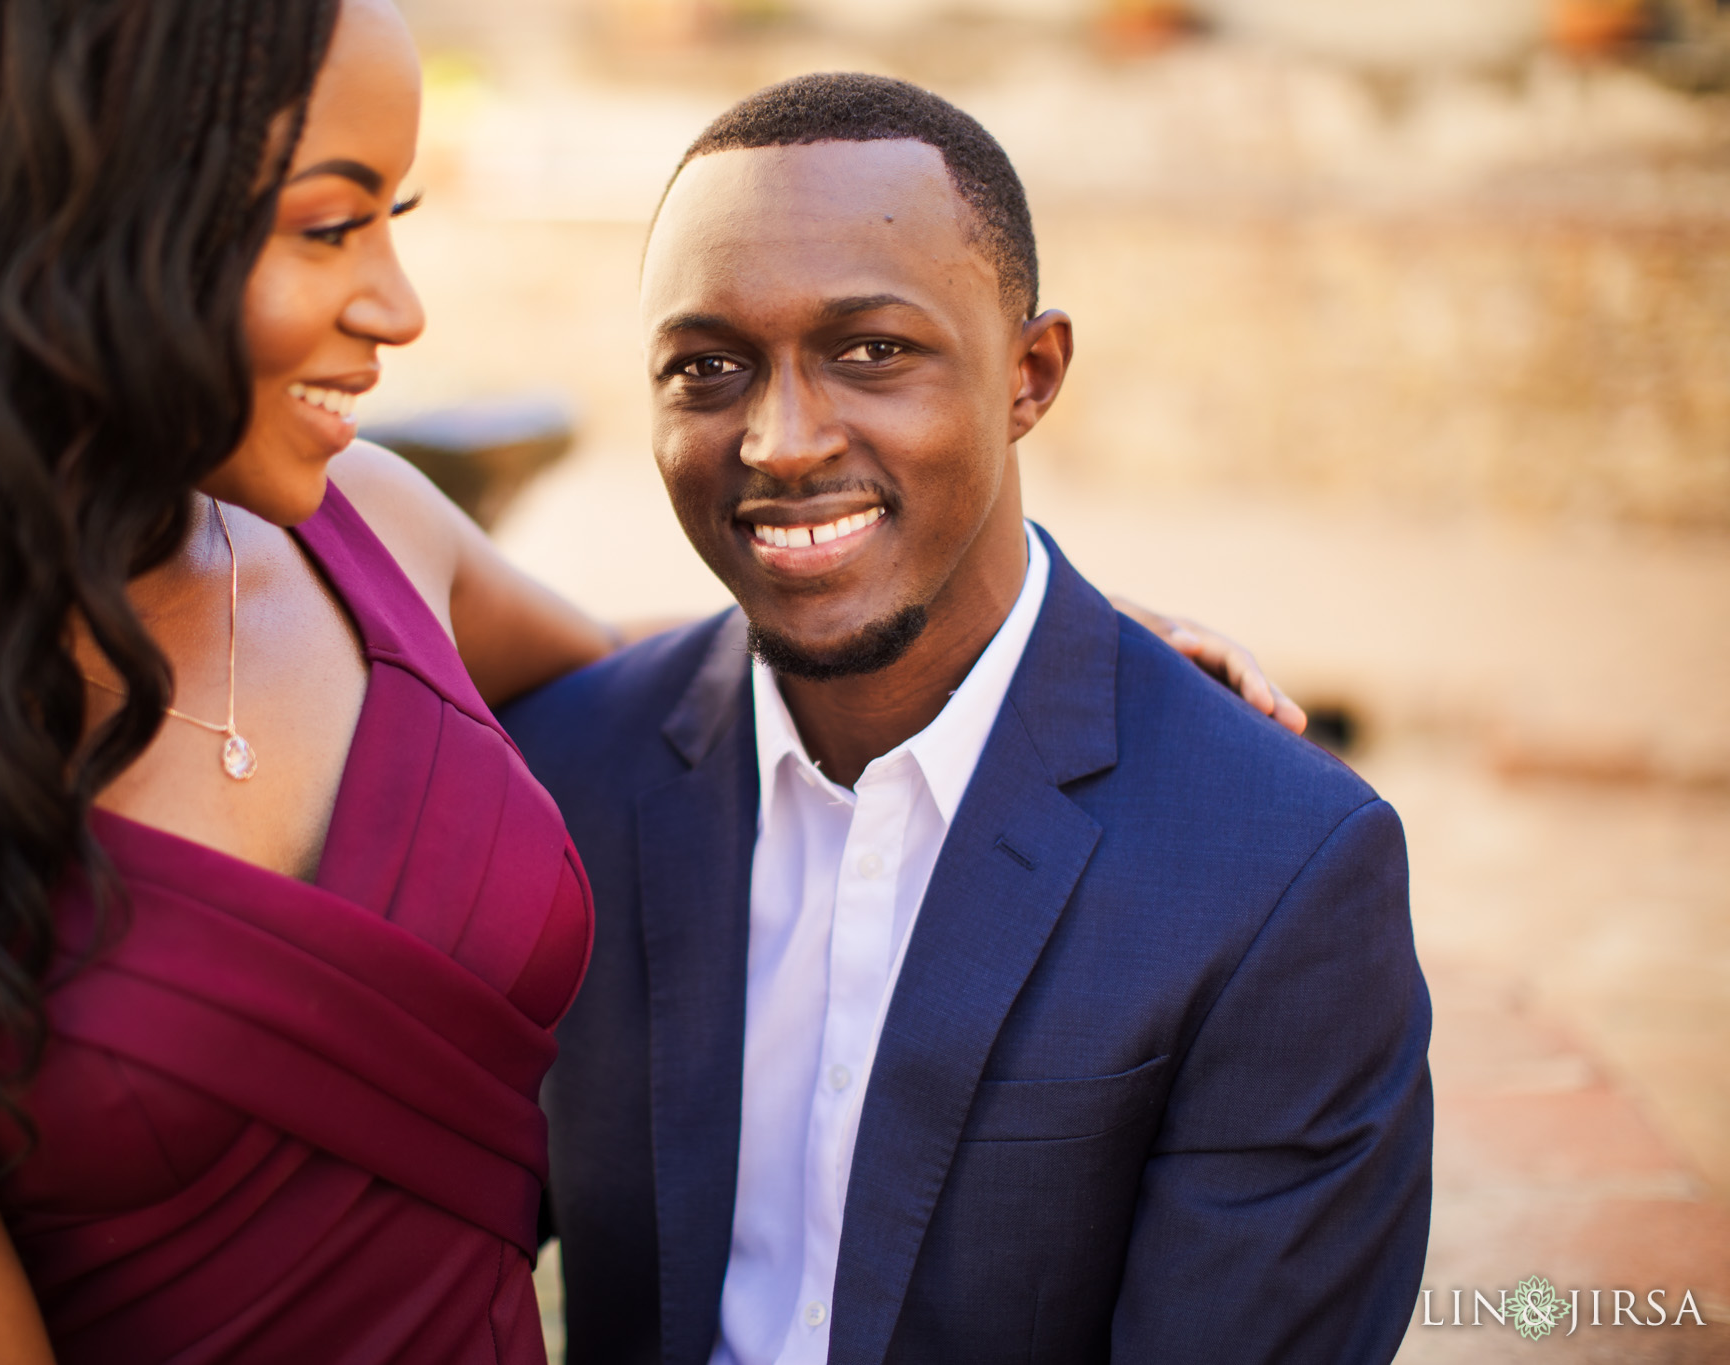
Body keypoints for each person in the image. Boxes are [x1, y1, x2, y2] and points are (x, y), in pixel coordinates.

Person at [0, 4, 1297, 1360]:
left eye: (400, 218)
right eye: (332, 223)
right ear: (65, 225)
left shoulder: (375, 536)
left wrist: (1033, 648)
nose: (399, 305)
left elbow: (696, 711)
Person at [503, 74, 1431, 1365]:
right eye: (708, 366)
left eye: (871, 350)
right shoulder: (558, 784)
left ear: (1029, 373)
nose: (778, 439)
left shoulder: (1280, 869)